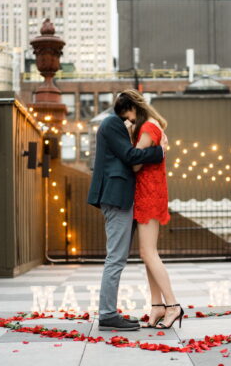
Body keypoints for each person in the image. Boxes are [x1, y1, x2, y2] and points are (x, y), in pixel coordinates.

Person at [87, 92, 167, 331]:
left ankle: (109, 312)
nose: (131, 123)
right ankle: (108, 314)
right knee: (116, 258)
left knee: (119, 257)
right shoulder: (112, 123)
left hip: (121, 197)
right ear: (131, 107)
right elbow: (130, 156)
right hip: (116, 197)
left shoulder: (115, 124)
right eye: (130, 118)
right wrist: (159, 152)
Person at [116, 89, 184, 330]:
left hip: (147, 193)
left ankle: (173, 305)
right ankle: (157, 307)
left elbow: (135, 165)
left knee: (148, 253)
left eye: (129, 116)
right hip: (152, 192)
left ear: (135, 109)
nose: (129, 121)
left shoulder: (146, 129)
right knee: (147, 253)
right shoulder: (154, 125)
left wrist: (128, 134)